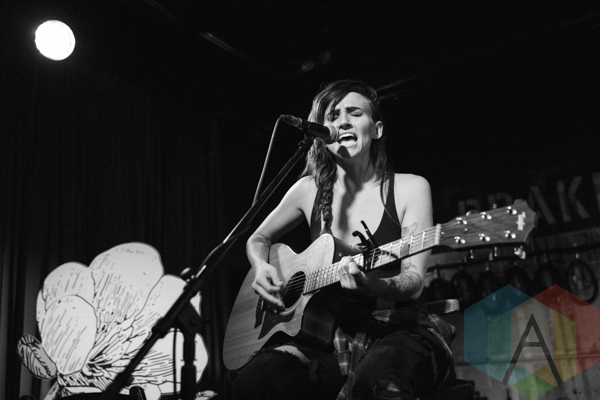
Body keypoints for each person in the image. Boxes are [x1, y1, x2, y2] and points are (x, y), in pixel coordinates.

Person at [231, 80, 456, 400]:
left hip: (397, 327)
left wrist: (374, 285)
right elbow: (259, 238)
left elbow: (414, 281)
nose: (343, 122)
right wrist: (261, 266)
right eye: (333, 116)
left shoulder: (410, 188)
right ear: (320, 133)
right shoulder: (307, 190)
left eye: (354, 113)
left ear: (376, 129)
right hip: (327, 333)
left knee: (375, 381)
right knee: (255, 383)